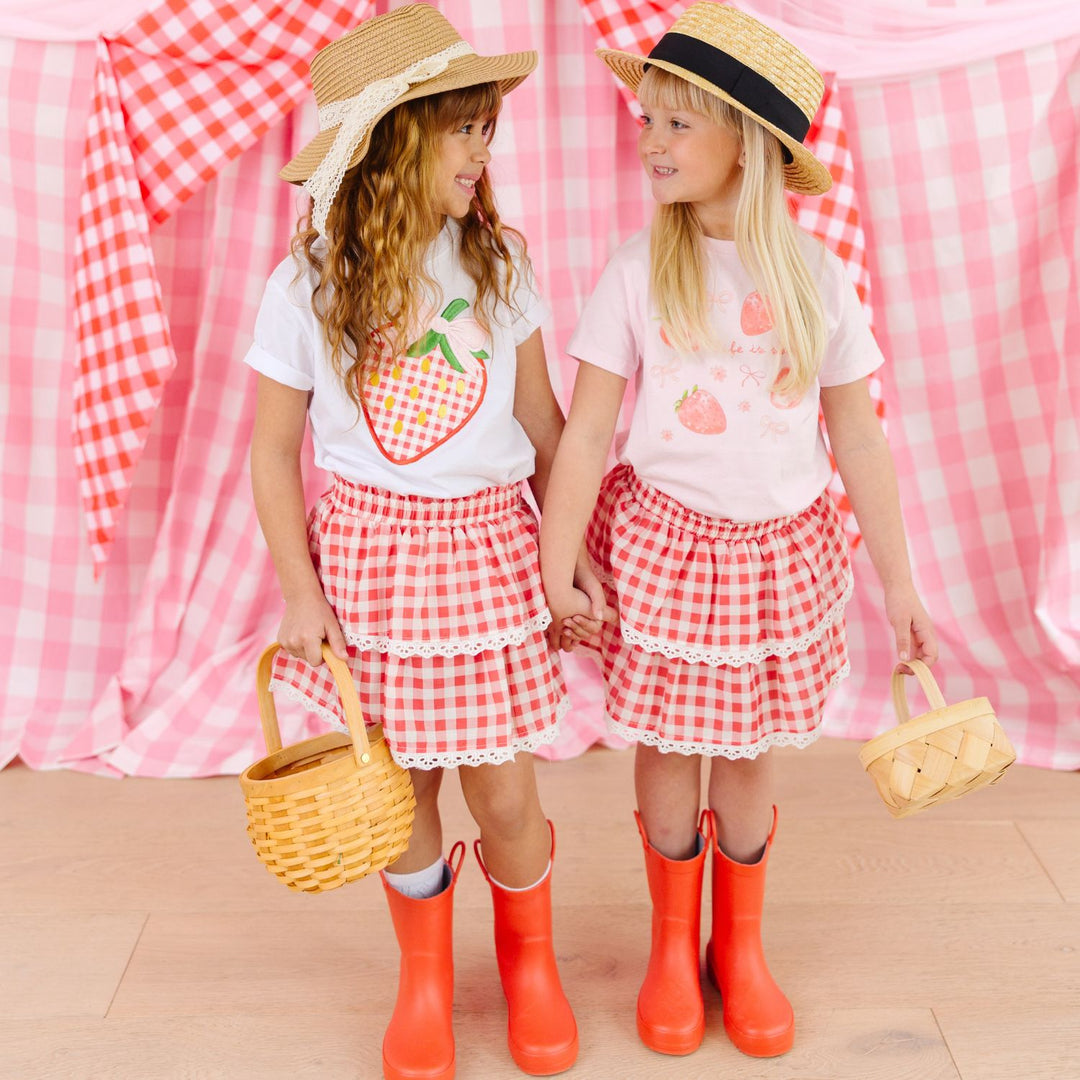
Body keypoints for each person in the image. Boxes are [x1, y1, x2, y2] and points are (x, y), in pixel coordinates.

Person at [540, 1, 938, 1062]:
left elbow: (858, 434)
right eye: (646, 121)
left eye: (677, 123)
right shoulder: (637, 270)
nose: (650, 141)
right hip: (669, 543)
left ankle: (740, 947)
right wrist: (554, 562)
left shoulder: (814, 278)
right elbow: (585, 434)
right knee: (671, 744)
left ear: (748, 143)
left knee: (752, 749)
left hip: (782, 551)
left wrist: (900, 584)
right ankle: (675, 944)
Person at [246, 6, 597, 1078]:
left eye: (488, 129)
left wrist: (568, 552)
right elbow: (271, 456)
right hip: (369, 567)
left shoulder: (500, 262)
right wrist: (302, 596)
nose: (485, 152)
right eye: (464, 130)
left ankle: (531, 965)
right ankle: (425, 980)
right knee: (399, 793)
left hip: (487, 554)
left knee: (503, 789)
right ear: (396, 142)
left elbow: (543, 426)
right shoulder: (309, 283)